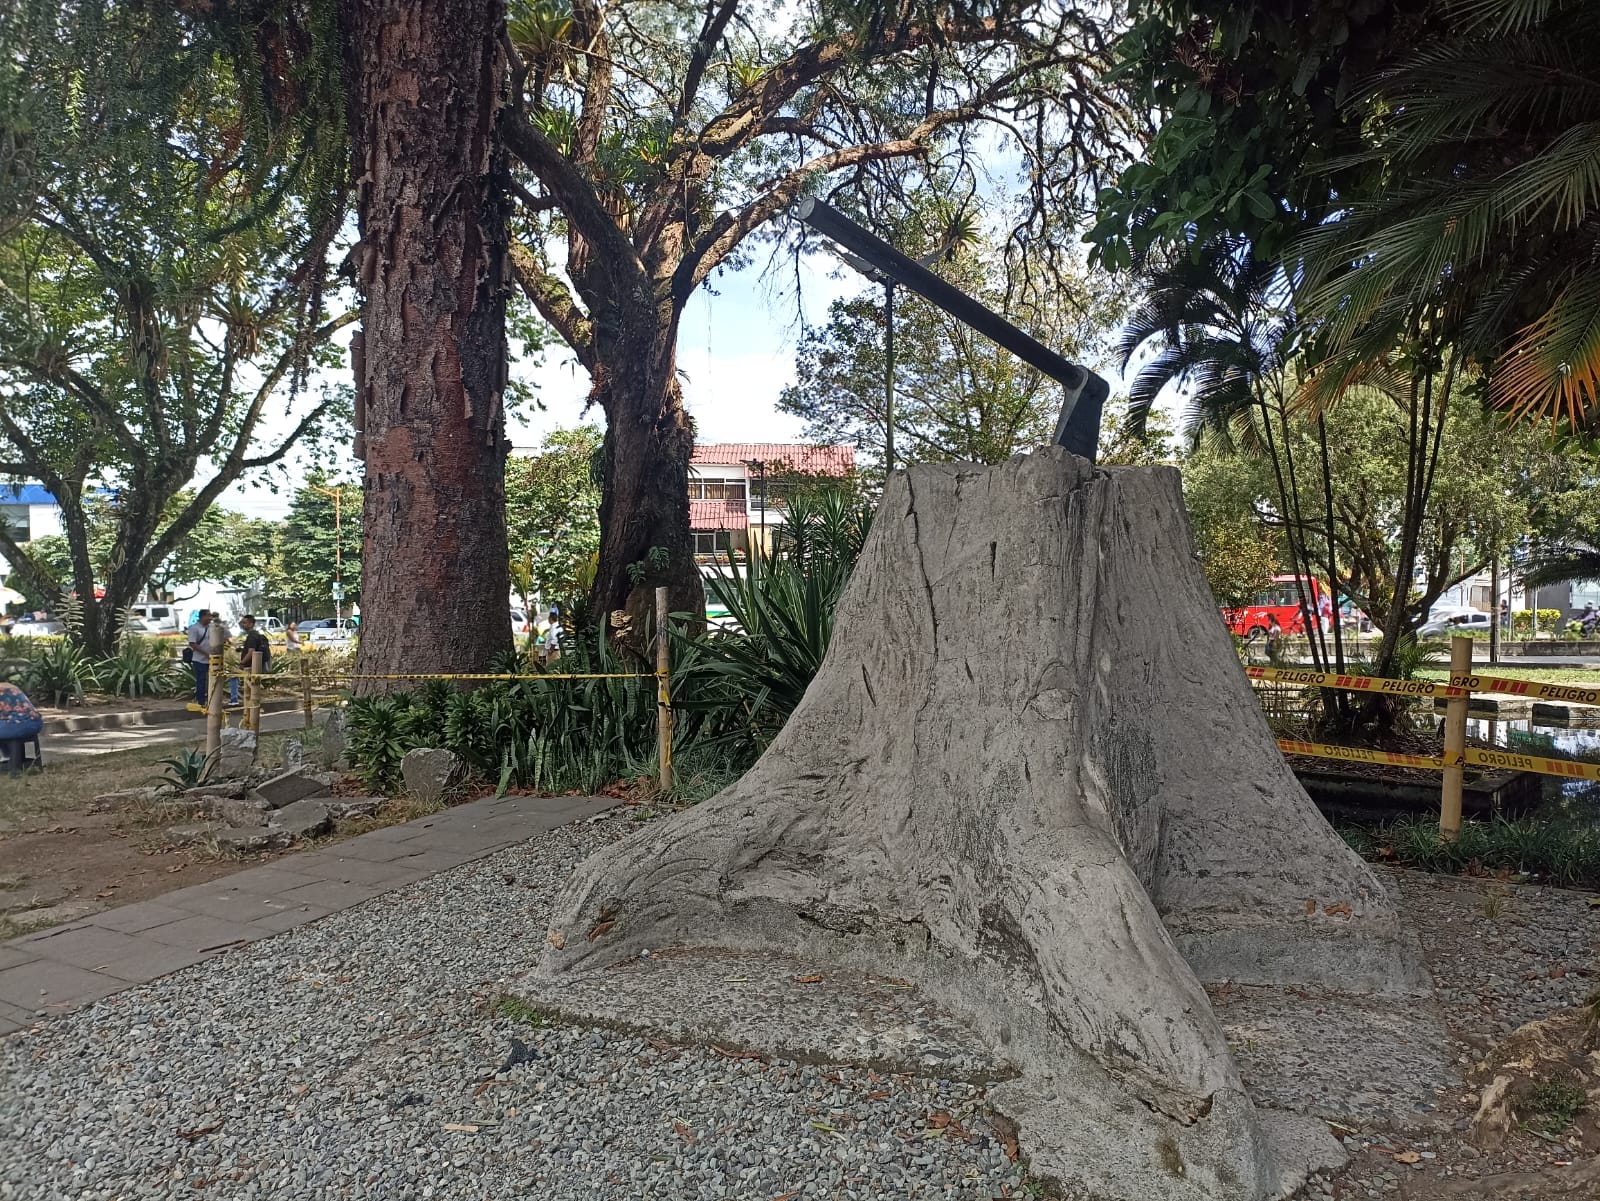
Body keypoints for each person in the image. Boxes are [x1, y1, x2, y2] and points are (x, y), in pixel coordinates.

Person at [0, 681, 43, 772]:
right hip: (35, 723)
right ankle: (9, 756)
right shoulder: (11, 686)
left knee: (5, 728)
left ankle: (8, 756)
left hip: (15, 726)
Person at [185, 609, 213, 708]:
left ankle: (211, 700)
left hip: (211, 659)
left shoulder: (211, 628)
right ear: (202, 617)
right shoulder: (194, 628)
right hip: (199, 659)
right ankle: (201, 701)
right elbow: (192, 644)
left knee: (212, 680)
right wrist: (206, 654)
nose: (210, 618)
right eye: (208, 616)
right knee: (201, 680)